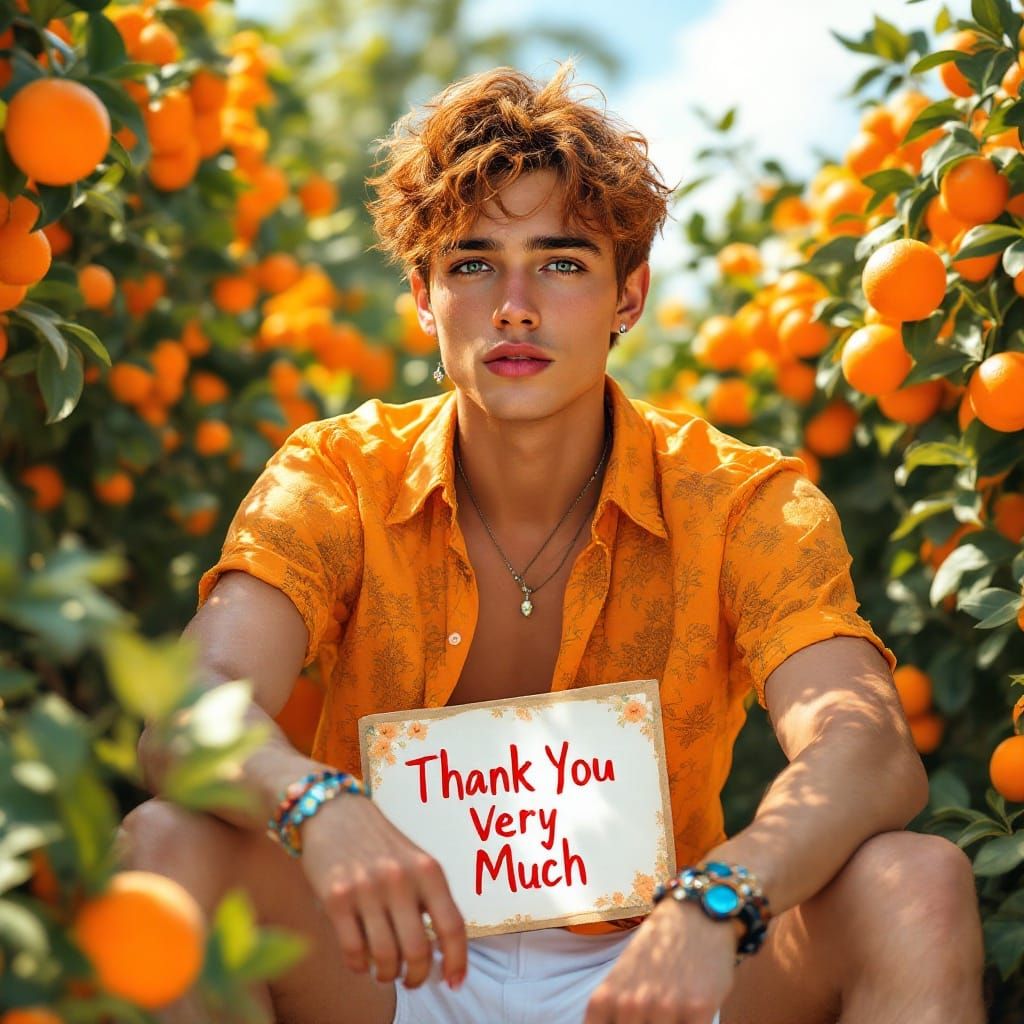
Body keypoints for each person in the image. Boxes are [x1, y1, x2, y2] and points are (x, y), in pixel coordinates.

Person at [122, 63, 986, 1024]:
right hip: (383, 962)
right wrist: (315, 803)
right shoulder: (336, 477)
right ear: (423, 295)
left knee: (919, 880)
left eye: (563, 262)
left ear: (630, 295)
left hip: (656, 966)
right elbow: (188, 714)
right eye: (473, 262)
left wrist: (722, 896)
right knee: (164, 847)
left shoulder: (742, 501)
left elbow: (865, 747)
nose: (515, 305)